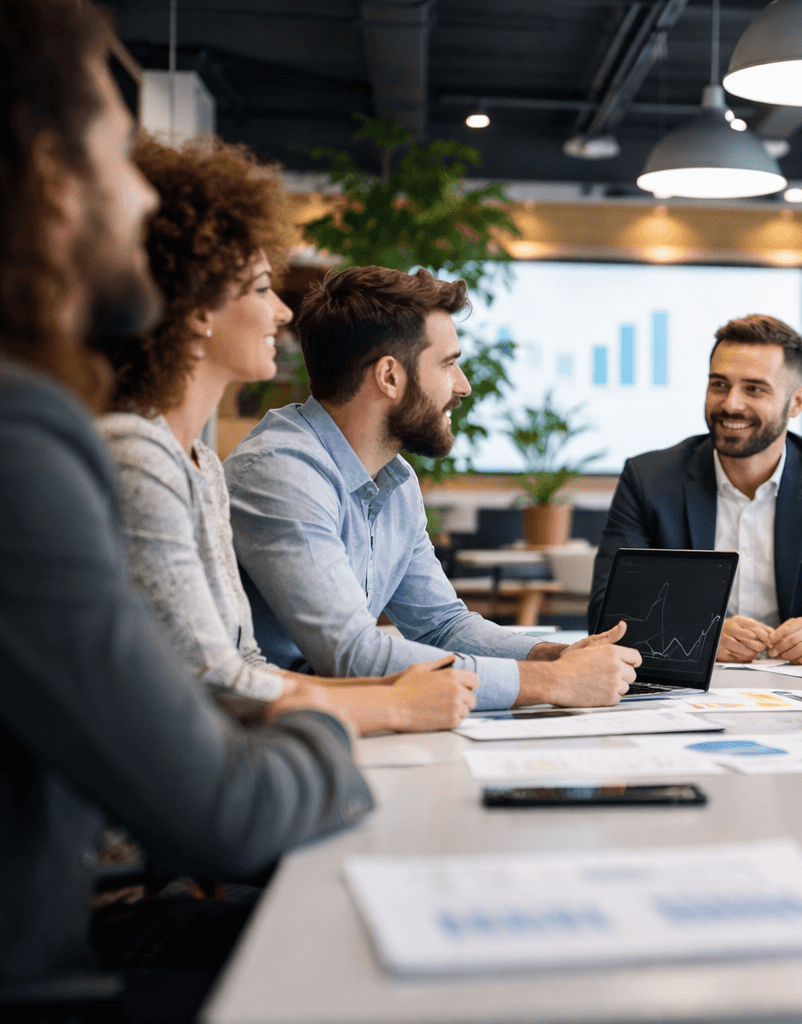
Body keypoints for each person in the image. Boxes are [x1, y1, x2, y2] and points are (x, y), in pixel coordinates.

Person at [0, 0, 370, 1006]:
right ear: (52, 185)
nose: (139, 201)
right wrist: (325, 724)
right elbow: (223, 807)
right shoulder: (28, 440)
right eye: (119, 159)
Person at [95, 136, 477, 734]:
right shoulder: (142, 457)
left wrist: (417, 693)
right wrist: (396, 704)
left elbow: (243, 664)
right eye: (258, 288)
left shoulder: (199, 462)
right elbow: (215, 682)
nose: (281, 312)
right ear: (197, 310)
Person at [225, 265, 639, 709]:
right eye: (448, 364)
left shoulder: (395, 481)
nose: (463, 386)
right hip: (266, 732)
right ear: (389, 376)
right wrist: (551, 682)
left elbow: (441, 625)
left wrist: (556, 657)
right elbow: (351, 655)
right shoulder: (281, 472)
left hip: (343, 721)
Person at [589, 313, 802, 664]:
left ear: (797, 401)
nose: (731, 403)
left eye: (754, 389)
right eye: (719, 384)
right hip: (687, 686)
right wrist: (701, 633)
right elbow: (605, 613)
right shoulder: (649, 479)